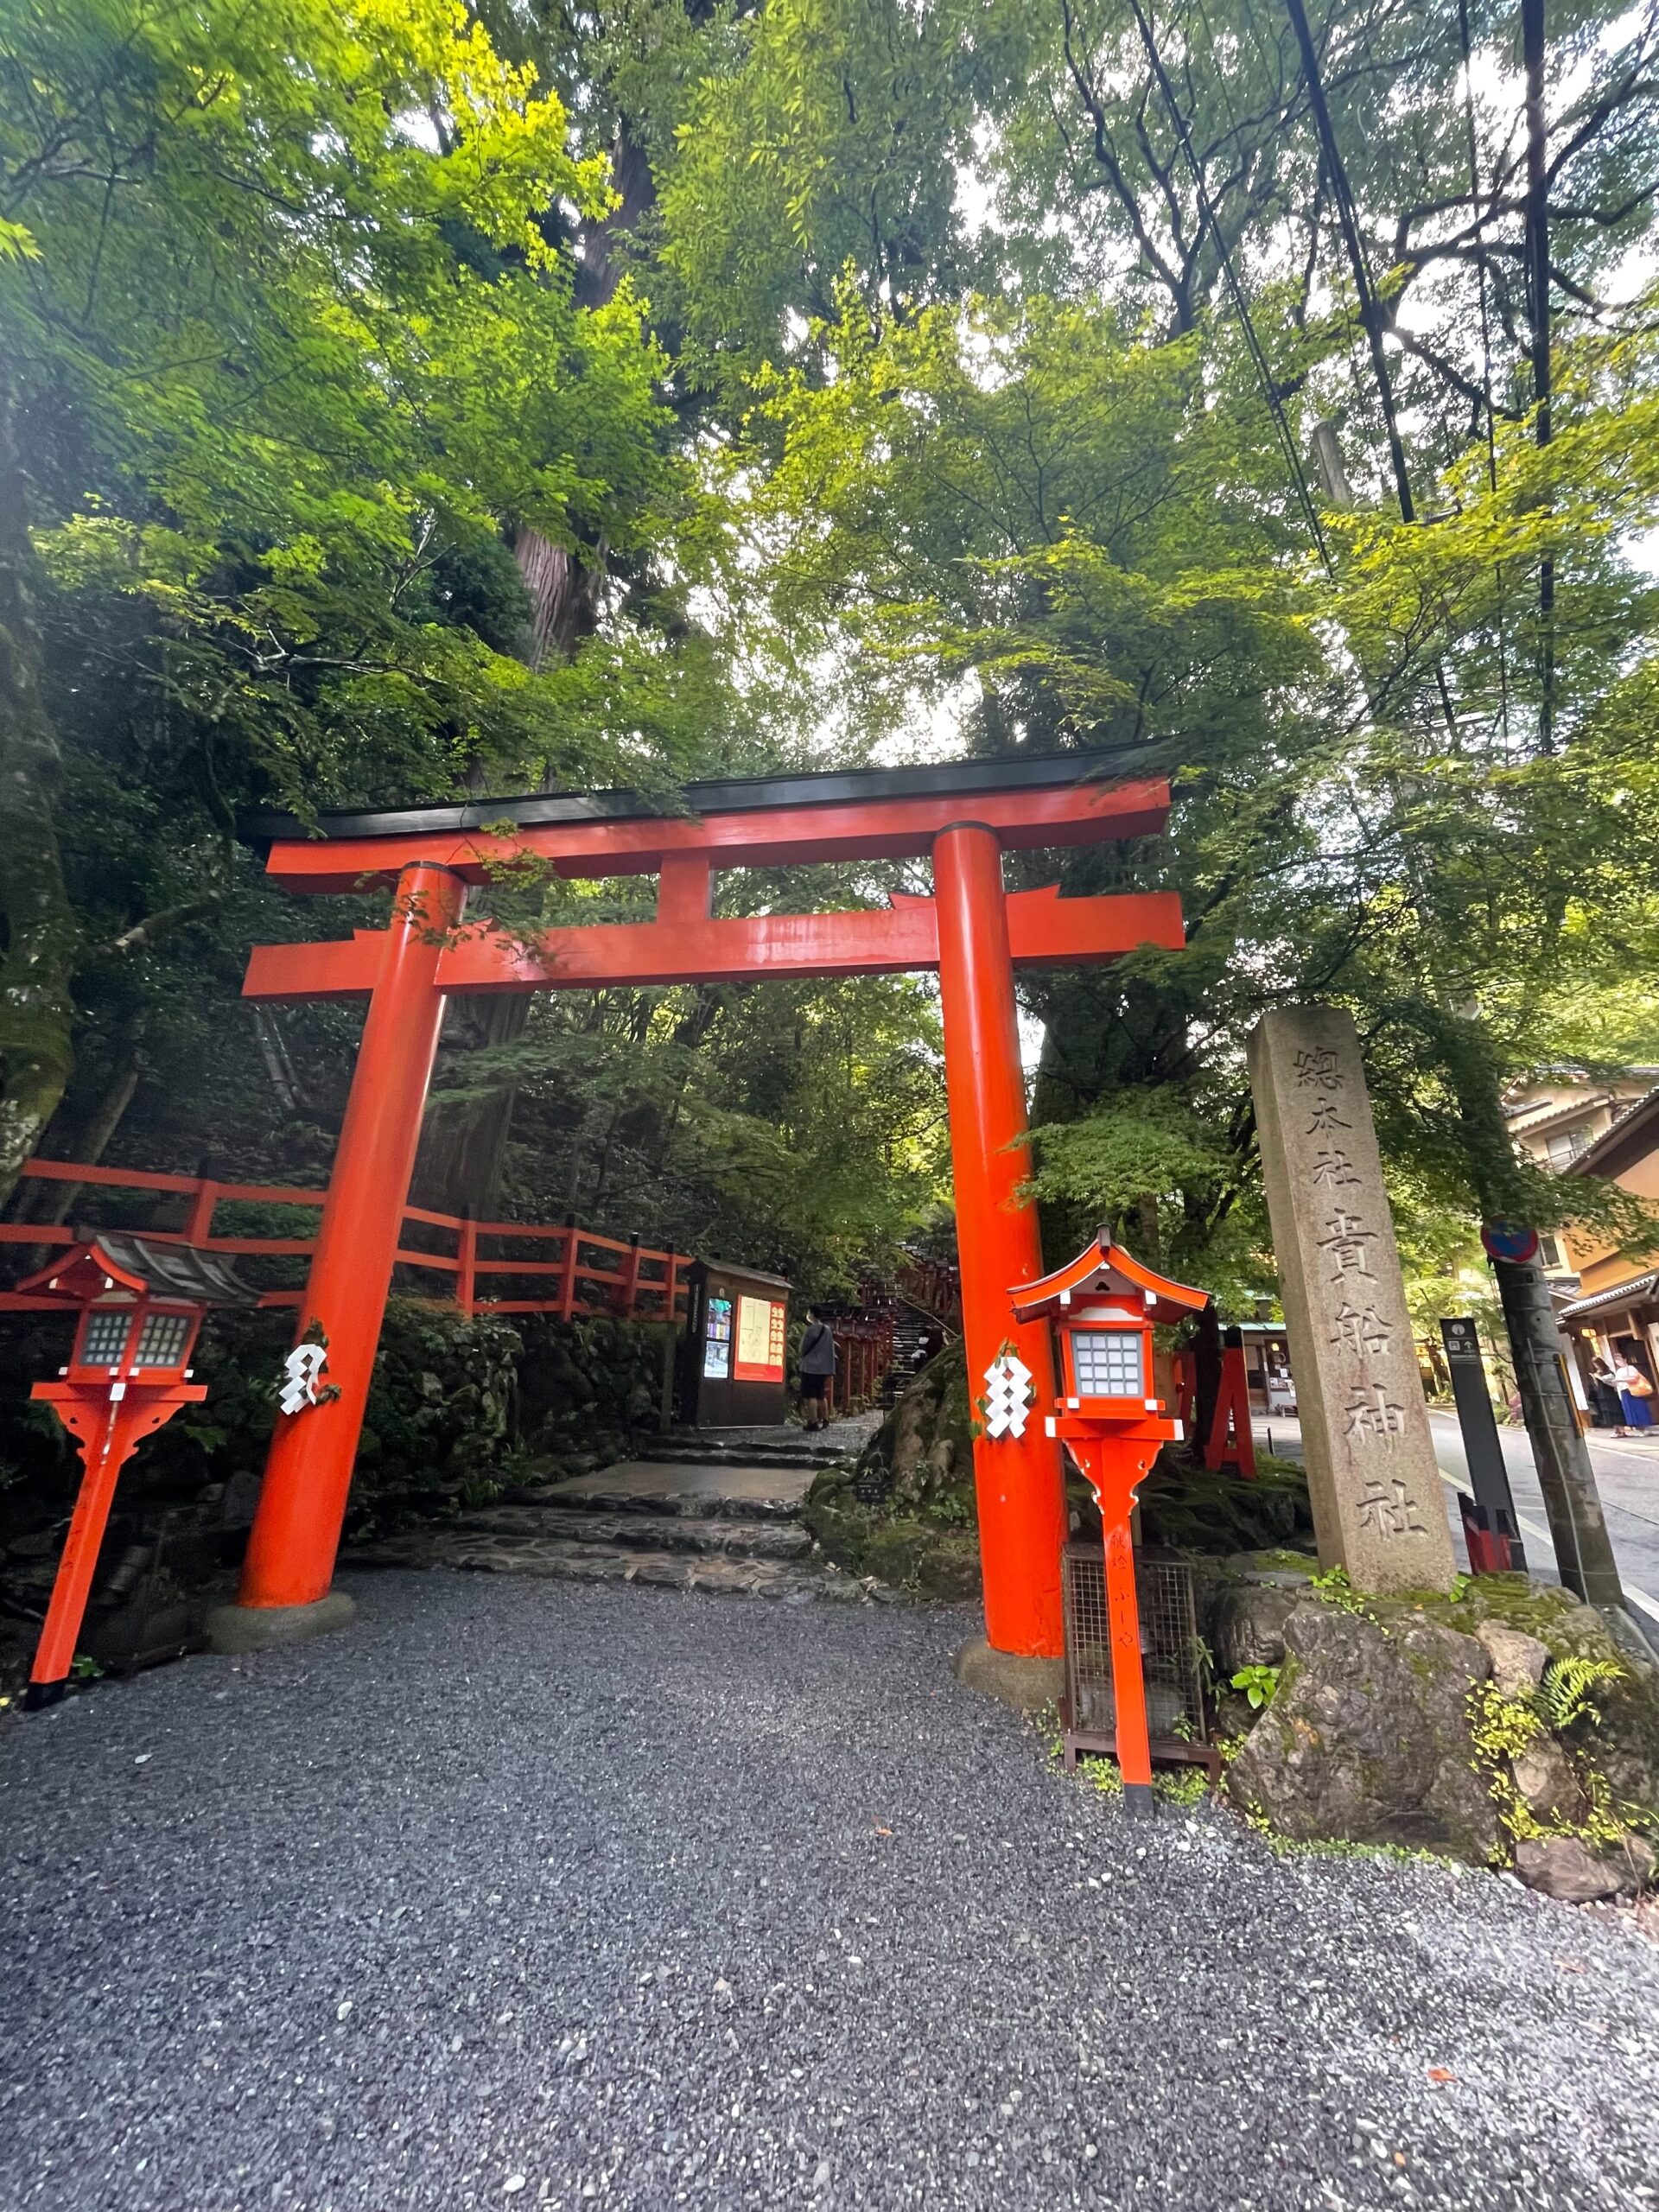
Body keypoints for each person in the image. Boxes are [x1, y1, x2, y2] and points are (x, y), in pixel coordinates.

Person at [798, 1306, 837, 1430]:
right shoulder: (827, 1330)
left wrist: (801, 1355)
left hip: (810, 1367)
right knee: (821, 1395)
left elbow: (803, 1348)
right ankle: (825, 1420)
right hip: (823, 1367)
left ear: (813, 1315)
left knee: (811, 1396)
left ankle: (813, 1421)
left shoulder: (811, 1330)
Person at [1610, 1343, 1655, 1437]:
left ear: (1624, 1359)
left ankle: (1646, 1428)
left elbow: (1635, 1378)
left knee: (1639, 1409)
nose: (1618, 1362)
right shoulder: (1619, 1371)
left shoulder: (1630, 1368)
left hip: (1633, 1391)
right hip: (1624, 1391)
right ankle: (1640, 1429)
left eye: (1620, 1359)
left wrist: (1621, 1379)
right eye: (1617, 1360)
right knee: (1631, 1411)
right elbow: (1617, 1382)